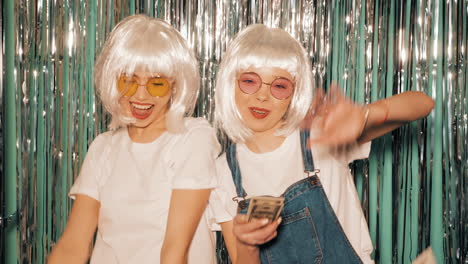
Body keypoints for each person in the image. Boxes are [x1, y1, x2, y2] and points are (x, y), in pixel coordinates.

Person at [208, 24, 434, 264]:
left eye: (279, 86)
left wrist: (365, 114)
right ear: (230, 84)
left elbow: (422, 103)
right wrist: (246, 243)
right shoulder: (223, 173)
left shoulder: (322, 137)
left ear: (295, 93)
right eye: (250, 81)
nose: (262, 96)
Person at [48, 14, 220, 264]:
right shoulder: (103, 148)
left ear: (175, 86)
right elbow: (73, 246)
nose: (140, 95)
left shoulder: (193, 138)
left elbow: (174, 253)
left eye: (157, 84)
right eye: (128, 81)